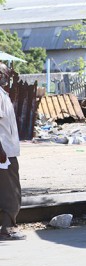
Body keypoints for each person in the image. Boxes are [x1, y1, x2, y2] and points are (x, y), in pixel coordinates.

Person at [0, 62, 25, 241]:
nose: (8, 76)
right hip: (4, 152)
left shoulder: (3, 94)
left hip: (5, 150)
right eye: (5, 73)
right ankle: (7, 228)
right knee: (11, 191)